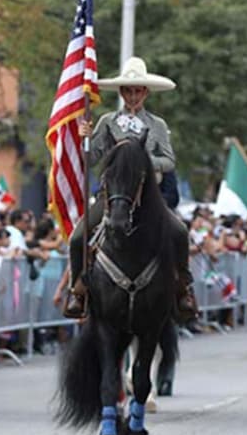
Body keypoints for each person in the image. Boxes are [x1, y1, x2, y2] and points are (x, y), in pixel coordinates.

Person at [63, 57, 197, 321]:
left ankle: (183, 288)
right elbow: (91, 159)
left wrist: (144, 163)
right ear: (121, 92)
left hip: (148, 197)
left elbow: (169, 160)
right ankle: (77, 292)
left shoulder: (157, 125)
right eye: (128, 91)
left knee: (180, 232)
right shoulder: (107, 122)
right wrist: (84, 140)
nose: (133, 96)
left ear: (145, 93)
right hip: (113, 196)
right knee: (77, 238)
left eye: (138, 91)